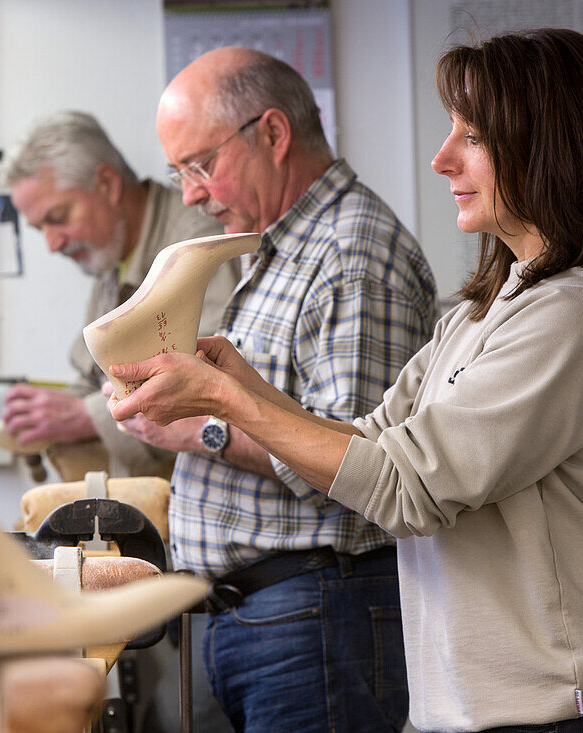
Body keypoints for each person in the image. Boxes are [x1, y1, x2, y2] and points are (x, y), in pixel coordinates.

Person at [110, 28, 583, 733]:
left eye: (472, 136)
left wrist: (226, 403)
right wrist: (234, 379)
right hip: (474, 709)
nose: (442, 160)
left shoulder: (582, 308)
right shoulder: (490, 307)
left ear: (551, 145)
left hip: (560, 711)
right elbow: (369, 441)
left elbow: (409, 490)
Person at [119, 47, 437, 731]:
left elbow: (357, 467)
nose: (191, 194)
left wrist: (198, 425)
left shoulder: (351, 257)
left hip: (319, 617)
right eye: (178, 173)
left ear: (272, 133)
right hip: (270, 618)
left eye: (200, 164)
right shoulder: (277, 248)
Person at [0, 111, 235, 478]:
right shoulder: (110, 251)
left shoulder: (192, 244)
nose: (52, 243)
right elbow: (90, 374)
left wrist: (85, 416)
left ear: (107, 184)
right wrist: (43, 415)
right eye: (38, 228)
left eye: (58, 217)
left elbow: (209, 386)